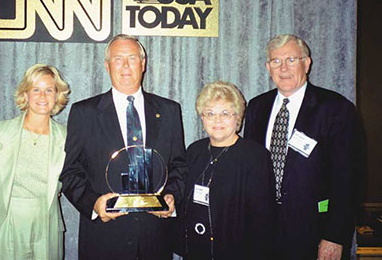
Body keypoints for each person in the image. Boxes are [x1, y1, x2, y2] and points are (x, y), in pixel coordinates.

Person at [59, 34, 187, 260]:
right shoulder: (84, 113)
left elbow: (179, 165)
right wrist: (94, 204)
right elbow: (70, 171)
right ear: (107, 66)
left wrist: (171, 196)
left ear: (143, 64)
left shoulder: (169, 111)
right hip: (104, 239)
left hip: (155, 239)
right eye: (118, 59)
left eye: (132, 58)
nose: (126, 66)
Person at [244, 34, 366, 260]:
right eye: (276, 61)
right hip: (262, 232)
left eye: (291, 59)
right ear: (267, 67)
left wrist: (335, 236)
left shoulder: (336, 109)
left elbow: (348, 179)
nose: (283, 68)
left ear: (306, 63)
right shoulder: (256, 107)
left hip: (314, 233)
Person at [0, 64, 70, 259]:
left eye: (49, 90)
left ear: (57, 95)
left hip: (46, 224)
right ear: (25, 94)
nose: (42, 96)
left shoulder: (67, 138)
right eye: (35, 90)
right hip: (5, 220)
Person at [179, 81, 275, 260]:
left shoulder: (255, 156)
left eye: (225, 113)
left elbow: (263, 221)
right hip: (197, 249)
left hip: (236, 252)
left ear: (237, 118)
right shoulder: (194, 151)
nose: (217, 120)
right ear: (202, 118)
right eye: (210, 113)